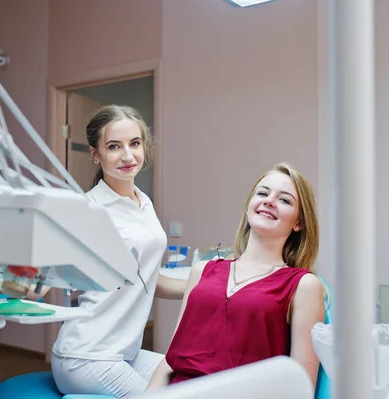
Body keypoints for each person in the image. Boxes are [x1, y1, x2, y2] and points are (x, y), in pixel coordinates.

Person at [45, 105, 187, 397]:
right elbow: (41, 283)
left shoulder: (143, 202)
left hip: (125, 352)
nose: (127, 155)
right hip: (87, 356)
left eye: (134, 144)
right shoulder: (87, 210)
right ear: (96, 154)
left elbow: (146, 277)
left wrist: (207, 286)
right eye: (113, 146)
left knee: (193, 379)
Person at [147, 162, 326, 390]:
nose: (269, 201)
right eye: (262, 193)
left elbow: (302, 386)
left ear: (299, 222)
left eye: (284, 200)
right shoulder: (202, 271)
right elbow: (170, 361)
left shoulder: (303, 284)